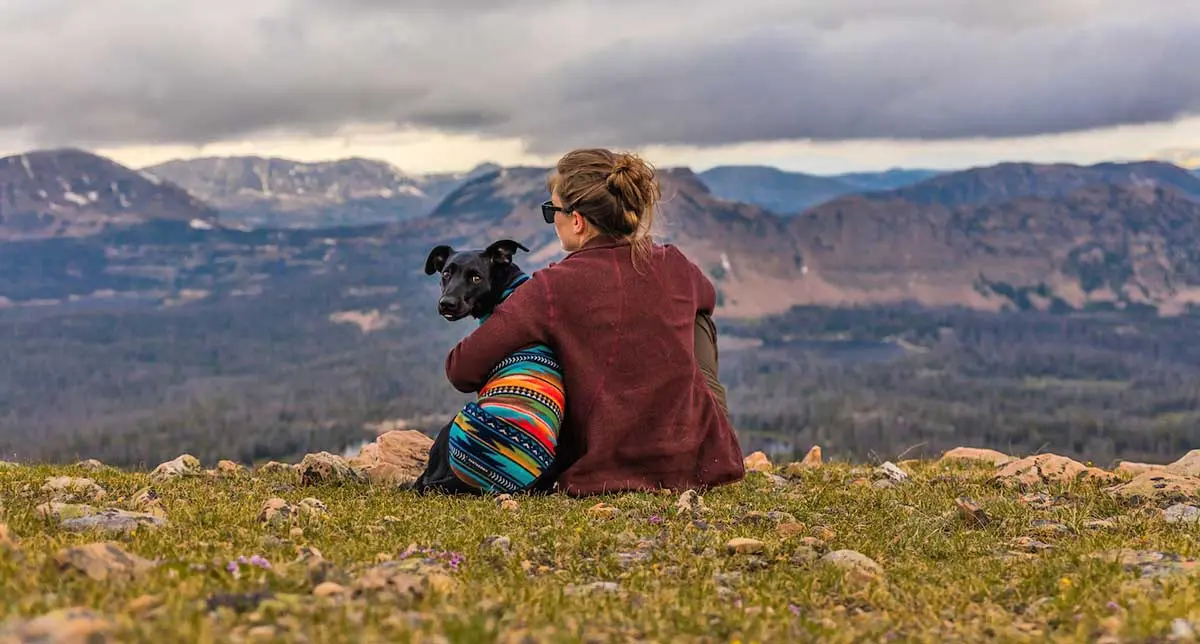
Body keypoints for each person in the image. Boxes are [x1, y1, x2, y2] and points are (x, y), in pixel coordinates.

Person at [443, 148, 745, 496]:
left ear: (577, 220)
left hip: (605, 471)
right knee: (697, 320)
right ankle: (706, 437)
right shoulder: (676, 263)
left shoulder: (550, 288)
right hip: (698, 466)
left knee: (539, 342)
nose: (551, 219)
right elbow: (707, 298)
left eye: (550, 211)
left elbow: (460, 368)